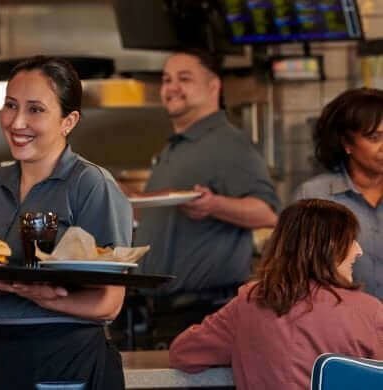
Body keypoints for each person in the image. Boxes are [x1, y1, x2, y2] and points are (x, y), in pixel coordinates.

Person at [0, 56, 133, 390]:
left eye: (36, 109)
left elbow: (109, 304)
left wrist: (45, 298)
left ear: (68, 121)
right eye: (11, 105)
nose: (17, 121)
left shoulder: (90, 184)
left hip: (64, 355)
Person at [169, 199, 383, 390]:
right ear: (328, 248)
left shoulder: (249, 302)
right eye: (351, 240)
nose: (358, 250)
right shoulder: (369, 311)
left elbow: (183, 354)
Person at [134, 48, 279, 295]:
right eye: (167, 80)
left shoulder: (229, 143)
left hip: (202, 307)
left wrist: (214, 205)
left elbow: (268, 214)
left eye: (185, 78)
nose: (172, 87)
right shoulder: (176, 145)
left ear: (214, 87)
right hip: (160, 309)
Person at [293, 87, 383, 298]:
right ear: (346, 143)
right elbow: (295, 272)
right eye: (374, 137)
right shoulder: (314, 196)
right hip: (341, 325)